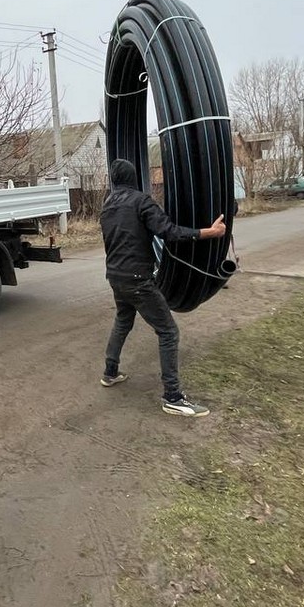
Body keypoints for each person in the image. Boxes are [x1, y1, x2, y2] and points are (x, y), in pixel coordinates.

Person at [99, 158, 227, 417]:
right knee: (168, 332)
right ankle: (173, 396)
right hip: (137, 279)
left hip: (116, 277)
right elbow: (169, 232)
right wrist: (208, 233)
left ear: (114, 180)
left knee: (123, 321)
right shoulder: (141, 201)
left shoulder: (107, 206)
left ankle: (110, 372)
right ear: (134, 177)